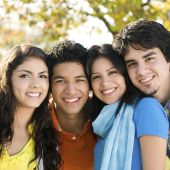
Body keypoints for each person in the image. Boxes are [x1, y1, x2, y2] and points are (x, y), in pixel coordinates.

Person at [86, 44, 169, 170]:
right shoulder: (103, 121)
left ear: (125, 74)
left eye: (112, 72)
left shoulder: (146, 108)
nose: (105, 83)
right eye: (96, 77)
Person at [113, 18, 170, 169]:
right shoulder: (133, 109)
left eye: (149, 58)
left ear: (168, 58)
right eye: (132, 64)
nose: (141, 71)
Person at [0, 45, 61, 170]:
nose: (36, 84)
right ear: (8, 78)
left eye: (42, 76)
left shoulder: (47, 137)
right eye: (25, 76)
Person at [48, 40, 96, 170]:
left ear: (90, 84)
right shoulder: (35, 122)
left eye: (79, 80)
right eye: (61, 80)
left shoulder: (107, 117)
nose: (71, 90)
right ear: (49, 85)